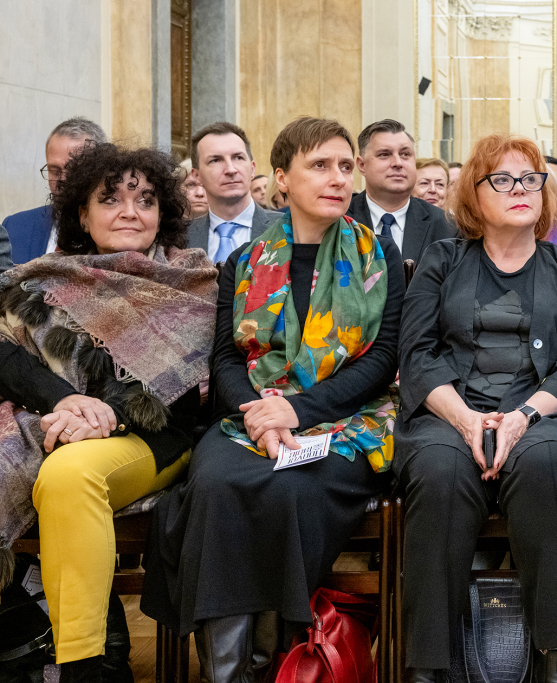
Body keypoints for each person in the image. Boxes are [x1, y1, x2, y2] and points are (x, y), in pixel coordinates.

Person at [142, 116, 404, 682]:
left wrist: (298, 411)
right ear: (281, 179)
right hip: (250, 416)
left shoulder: (377, 258)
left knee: (286, 487)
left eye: (343, 166)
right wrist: (260, 416)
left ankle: (269, 662)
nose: (337, 179)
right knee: (213, 486)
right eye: (319, 166)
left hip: (349, 420)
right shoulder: (244, 262)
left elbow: (383, 359)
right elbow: (228, 360)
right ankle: (228, 672)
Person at [396, 133, 557, 683]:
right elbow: (417, 354)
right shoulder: (441, 261)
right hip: (451, 414)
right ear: (473, 194)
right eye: (503, 179)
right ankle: (431, 666)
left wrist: (523, 417)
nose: (521, 189)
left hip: (549, 418)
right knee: (440, 469)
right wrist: (467, 419)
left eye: (531, 179)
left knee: (540, 463)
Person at [0, 142, 217, 682]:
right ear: (82, 212)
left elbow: (183, 390)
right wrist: (65, 400)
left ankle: (84, 667)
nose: (129, 212)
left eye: (145, 200)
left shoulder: (194, 281)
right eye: (111, 199)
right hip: (49, 423)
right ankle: (27, 632)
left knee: (70, 474)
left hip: (156, 439)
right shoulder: (44, 278)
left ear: (163, 212)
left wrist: (105, 415)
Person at [347, 119, 456, 264]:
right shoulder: (339, 220)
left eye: (405, 154)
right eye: (384, 154)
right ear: (361, 165)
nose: (398, 162)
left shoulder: (446, 226)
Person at [2, 117, 106, 264]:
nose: (63, 180)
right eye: (55, 171)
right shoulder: (15, 227)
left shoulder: (117, 230)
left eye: (74, 170)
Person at [186, 122, 282, 261]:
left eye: (238, 157)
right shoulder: (180, 237)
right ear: (197, 176)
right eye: (215, 160)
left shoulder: (286, 228)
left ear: (252, 169)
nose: (231, 169)